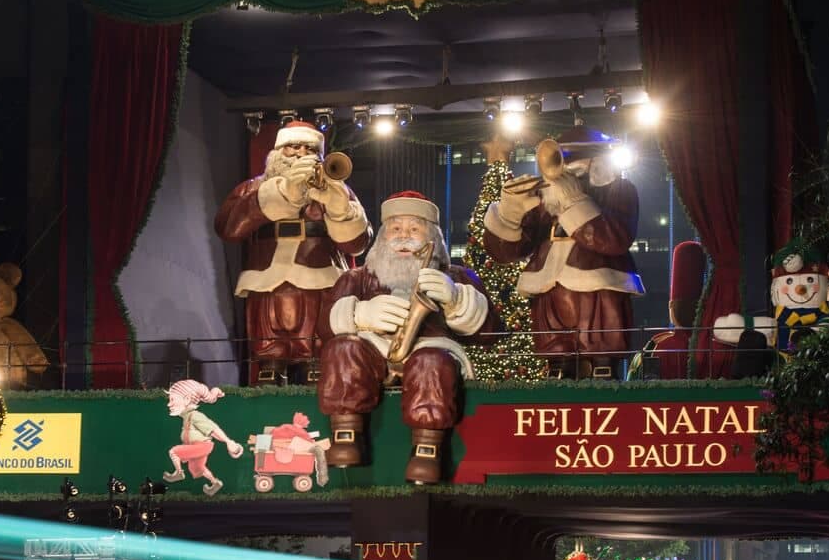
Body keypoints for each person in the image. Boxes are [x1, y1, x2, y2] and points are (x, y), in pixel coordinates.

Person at [317, 191, 500, 485]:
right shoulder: (357, 278)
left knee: (432, 363)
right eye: (396, 228)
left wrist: (456, 299)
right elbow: (323, 329)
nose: (404, 237)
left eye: (415, 229)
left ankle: (427, 451)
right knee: (343, 349)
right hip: (371, 350)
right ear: (382, 237)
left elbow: (490, 333)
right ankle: (346, 435)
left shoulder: (456, 276)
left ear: (433, 238)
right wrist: (359, 314)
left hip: (430, 348)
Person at [215, 121, 371, 384]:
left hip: (319, 277)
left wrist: (338, 207)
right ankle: (270, 367)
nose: (300, 153)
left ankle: (316, 366)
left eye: (309, 149)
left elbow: (357, 244)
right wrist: (280, 193)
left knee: (317, 333)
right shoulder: (254, 187)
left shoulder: (336, 189)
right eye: (293, 147)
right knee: (269, 333)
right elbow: (227, 227)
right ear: (277, 152)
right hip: (266, 278)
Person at [483, 126, 643, 379]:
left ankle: (602, 371)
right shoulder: (545, 198)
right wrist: (511, 212)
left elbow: (614, 239)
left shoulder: (620, 190)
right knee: (555, 349)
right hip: (549, 283)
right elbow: (507, 253)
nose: (567, 169)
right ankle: (558, 371)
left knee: (599, 343)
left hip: (599, 285)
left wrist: (573, 200)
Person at [161, 379, 244, 496]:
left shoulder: (195, 416)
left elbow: (213, 429)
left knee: (174, 452)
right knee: (197, 469)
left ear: (187, 399)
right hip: (198, 447)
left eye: (172, 399)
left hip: (201, 446)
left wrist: (228, 441)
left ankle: (178, 473)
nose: (169, 404)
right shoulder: (187, 417)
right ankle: (215, 483)